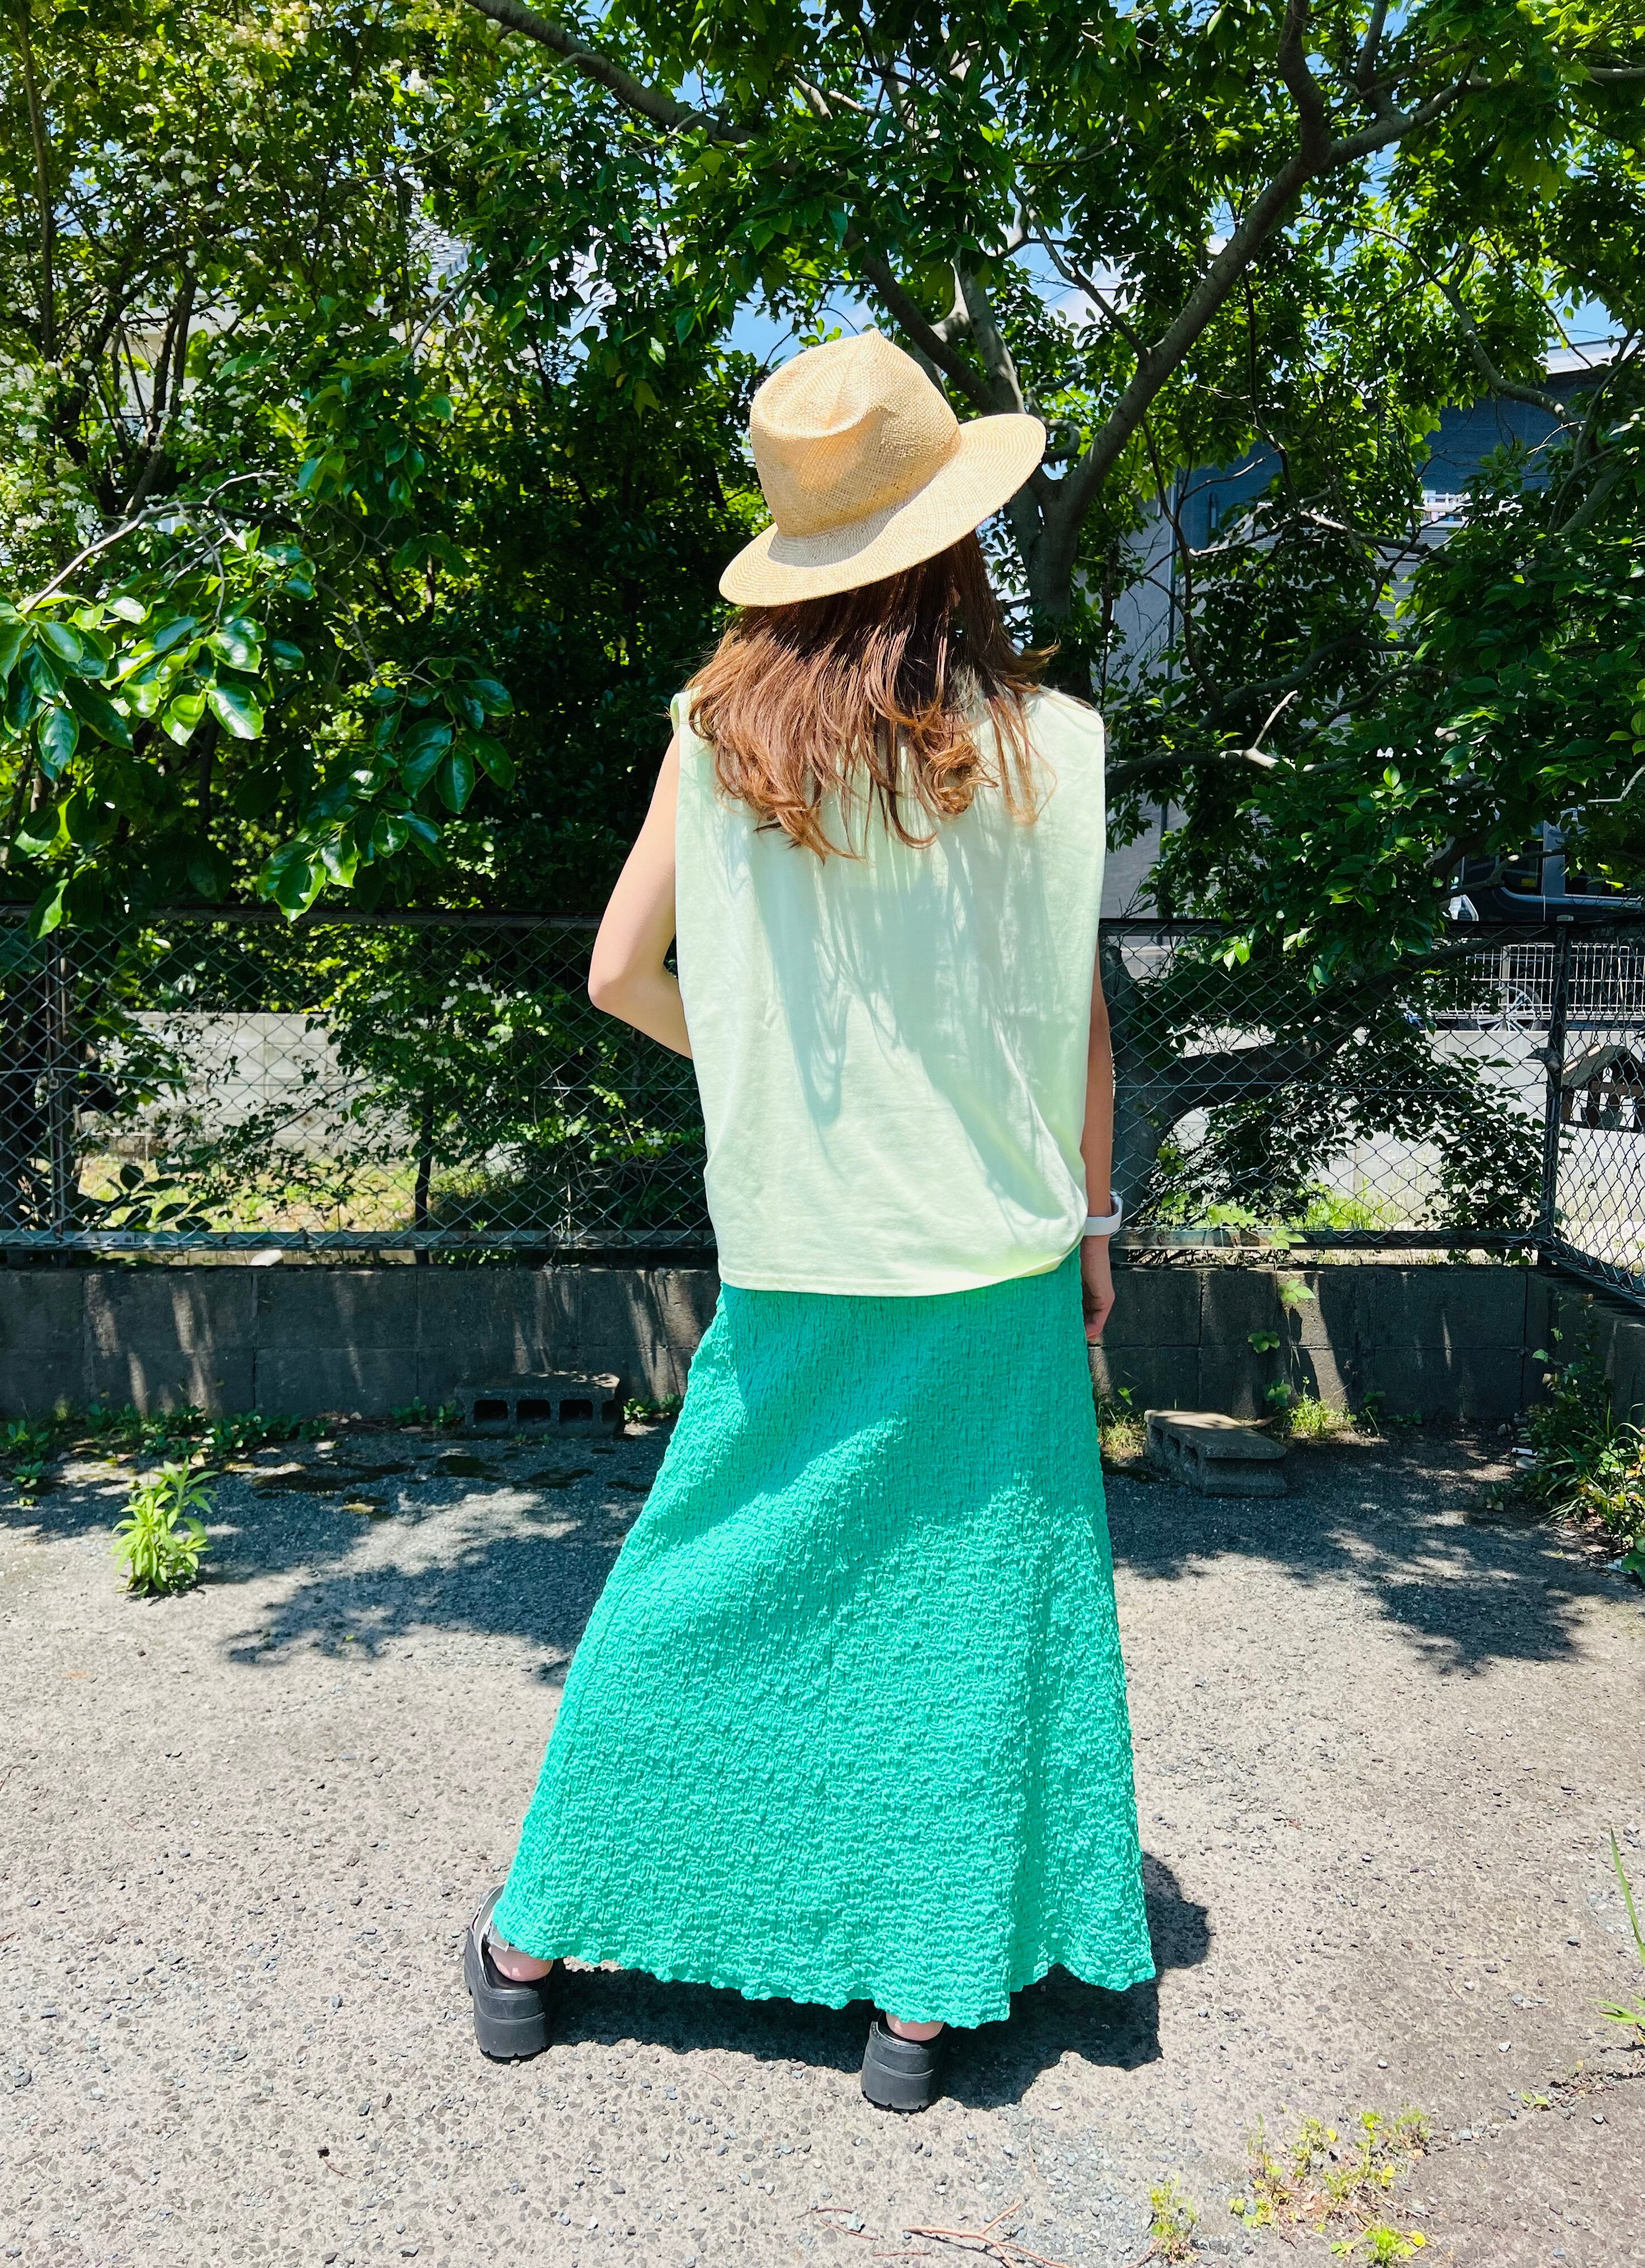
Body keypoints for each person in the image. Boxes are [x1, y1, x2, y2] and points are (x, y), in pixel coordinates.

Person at [462, 328, 1153, 2112]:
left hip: (799, 1248)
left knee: (703, 1579)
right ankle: (919, 2005)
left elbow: (620, 973)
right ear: (958, 533)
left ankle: (532, 1947)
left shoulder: (718, 741)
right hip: (997, 1252)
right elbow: (1077, 1015)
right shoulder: (1053, 748)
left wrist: (772, 1074)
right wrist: (1095, 1230)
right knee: (960, 1611)